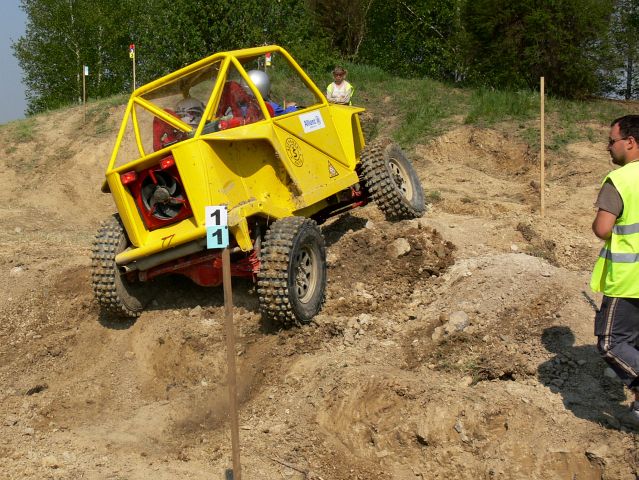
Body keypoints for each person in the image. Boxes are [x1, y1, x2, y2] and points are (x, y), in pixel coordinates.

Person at [590, 114, 639, 427]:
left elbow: (602, 227)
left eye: (612, 140)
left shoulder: (620, 180)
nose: (608, 147)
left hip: (628, 280)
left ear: (630, 142)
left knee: (611, 343)